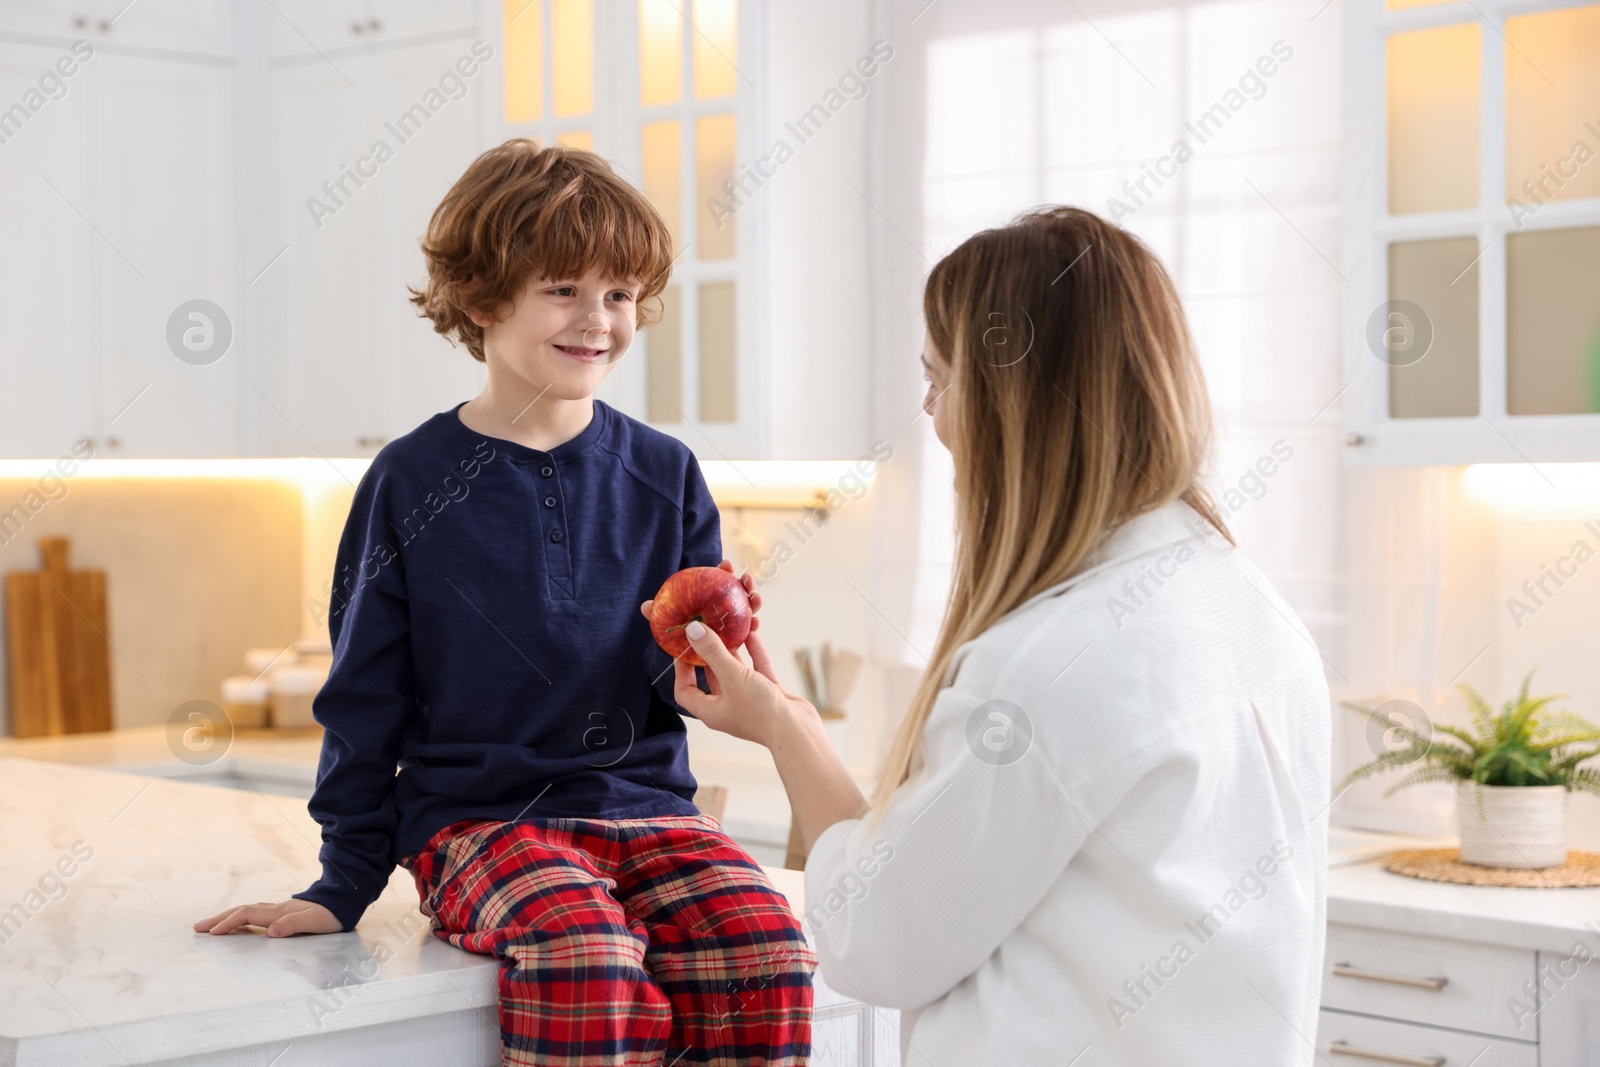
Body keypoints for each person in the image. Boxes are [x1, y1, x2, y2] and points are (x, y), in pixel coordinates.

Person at [650, 206, 1331, 1065]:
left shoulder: (1049, 665)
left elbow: (876, 936)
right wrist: (790, 721)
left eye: (940, 380)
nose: (932, 416)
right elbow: (937, 885)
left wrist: (785, 731)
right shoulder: (1250, 609)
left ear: (1016, 400)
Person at [193, 139, 817, 1067]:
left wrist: (709, 646)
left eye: (619, 293)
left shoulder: (666, 473)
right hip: (480, 824)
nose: (598, 318)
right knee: (585, 957)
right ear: (482, 298)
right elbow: (366, 695)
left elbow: (670, 683)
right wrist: (344, 880)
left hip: (650, 809)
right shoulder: (408, 480)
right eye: (562, 289)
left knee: (767, 945)